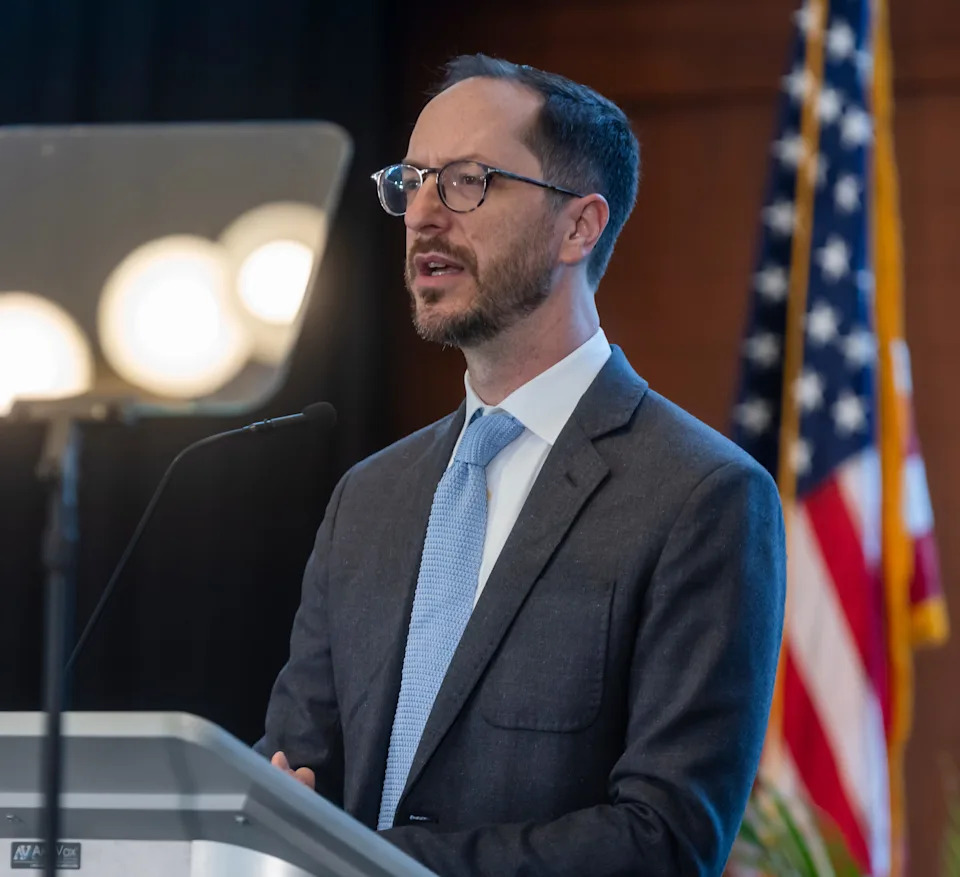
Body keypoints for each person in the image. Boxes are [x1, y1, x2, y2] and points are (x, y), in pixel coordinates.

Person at [256, 54, 786, 877]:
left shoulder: (701, 496)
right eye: (412, 180)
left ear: (579, 226)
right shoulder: (368, 497)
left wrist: (375, 862)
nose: (424, 215)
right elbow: (295, 769)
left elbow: (666, 840)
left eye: (467, 182)